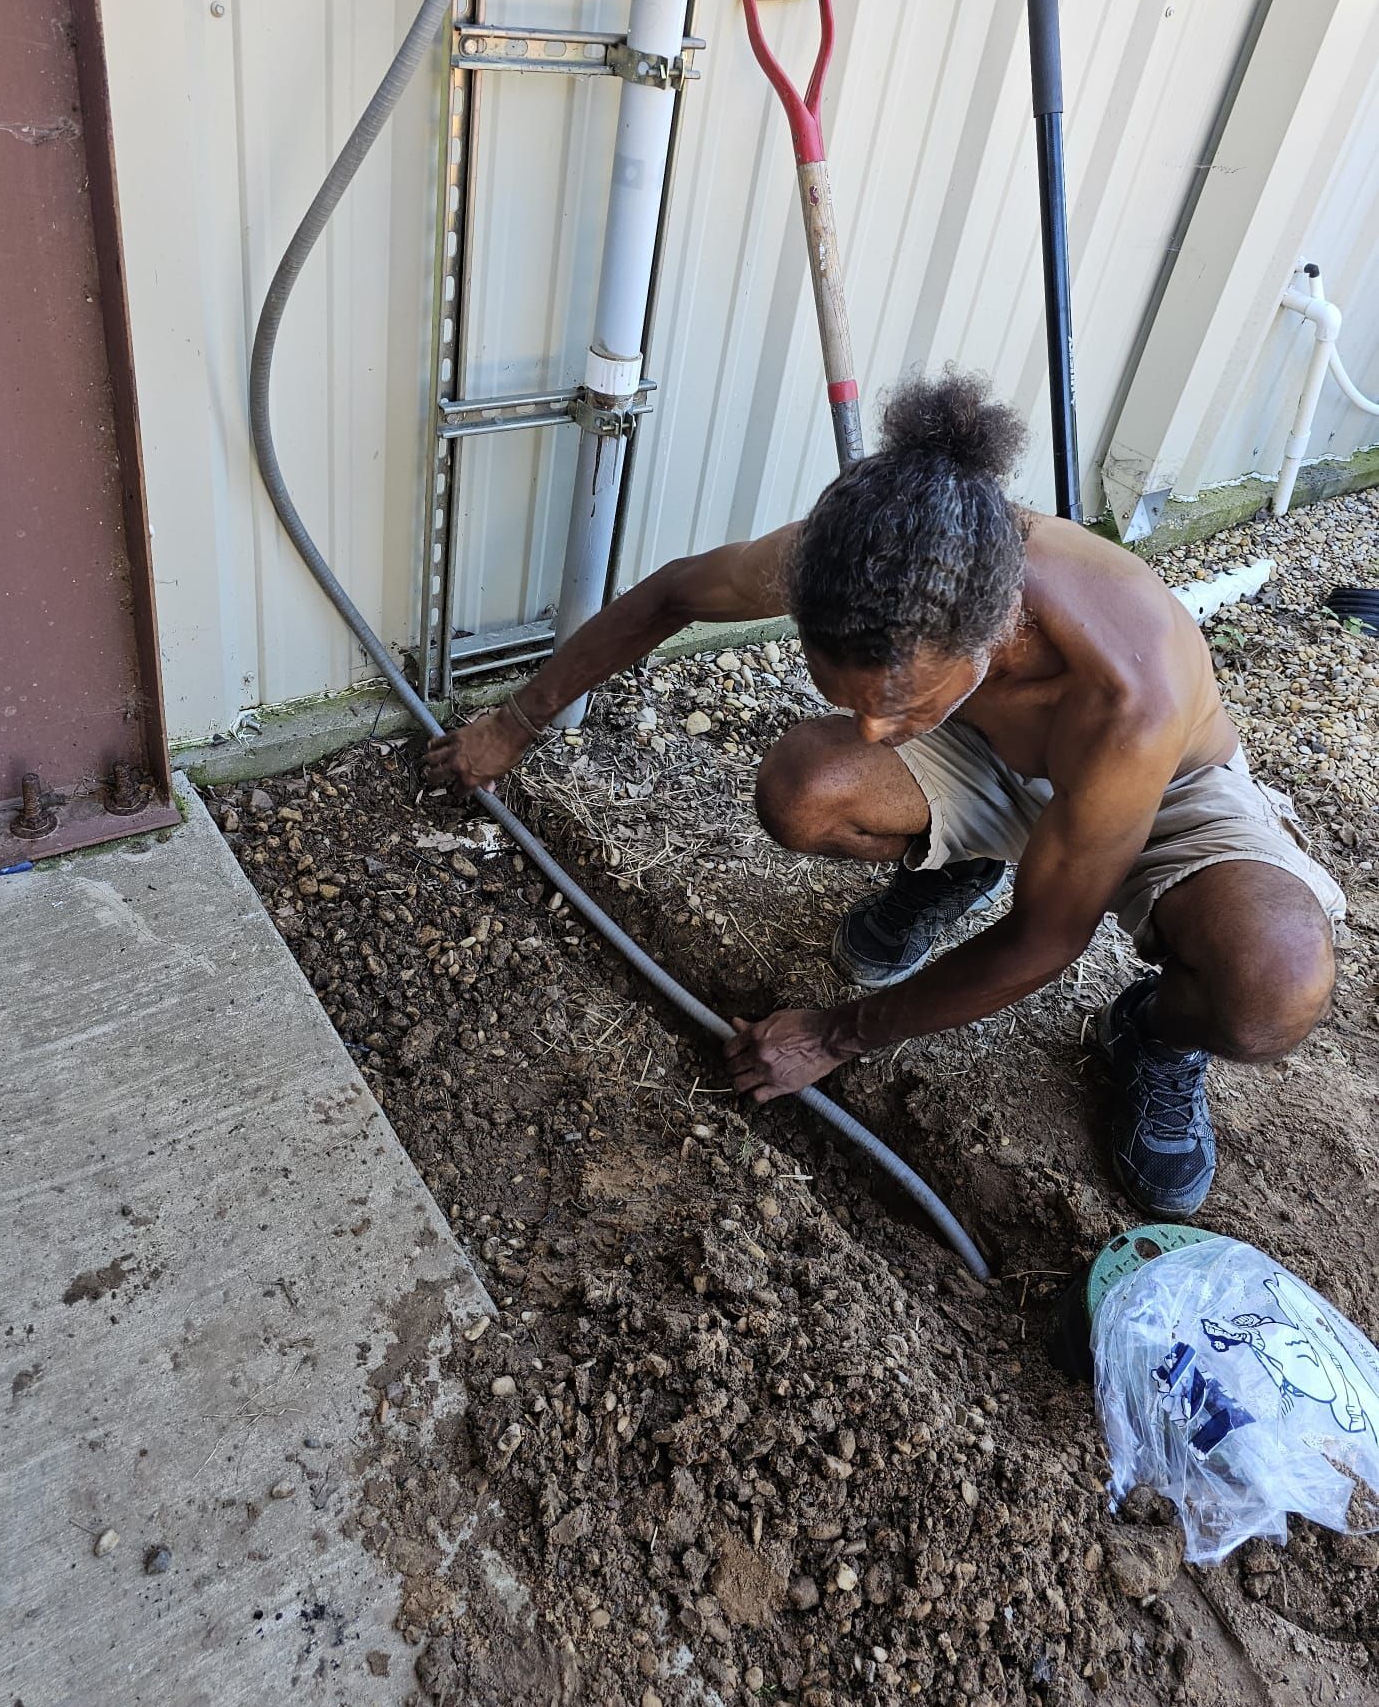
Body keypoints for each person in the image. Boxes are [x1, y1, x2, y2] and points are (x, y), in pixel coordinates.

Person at [426, 373, 1345, 1220]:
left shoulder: (1127, 694)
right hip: (985, 749)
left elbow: (1045, 941)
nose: (870, 727)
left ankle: (1153, 1036)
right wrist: (516, 723)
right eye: (849, 699)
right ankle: (960, 862)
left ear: (996, 636)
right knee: (804, 790)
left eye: (896, 704)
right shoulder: (863, 554)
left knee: (1272, 989)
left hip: (1157, 792)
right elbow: (673, 595)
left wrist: (835, 1035)